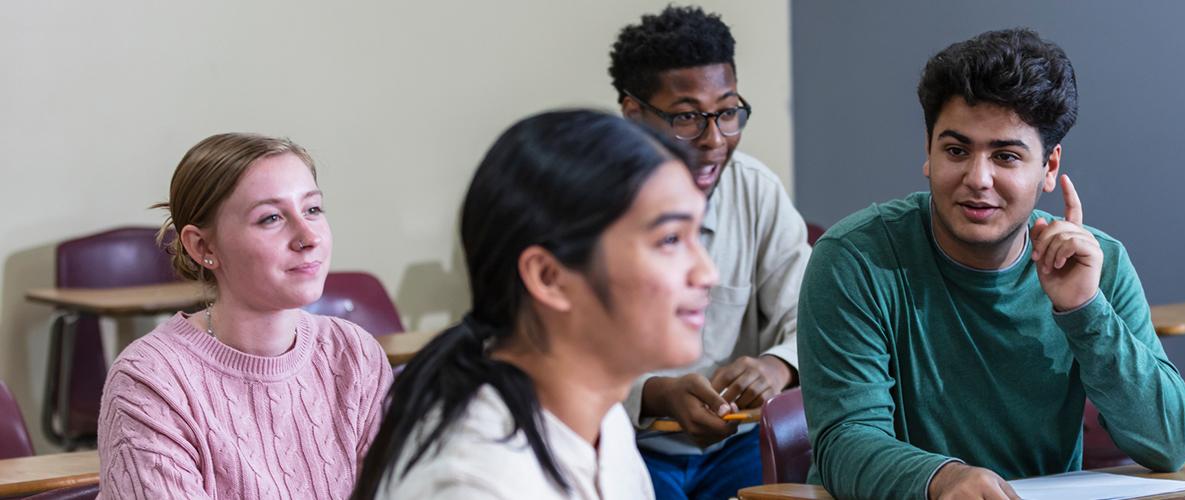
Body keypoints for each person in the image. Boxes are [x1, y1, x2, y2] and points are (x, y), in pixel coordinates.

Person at [797, 28, 1185, 499]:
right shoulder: (855, 258)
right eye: (956, 150)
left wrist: (1085, 309)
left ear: (1049, 168)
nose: (978, 178)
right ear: (927, 152)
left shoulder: (1097, 263)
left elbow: (1169, 445)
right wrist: (942, 480)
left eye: (1006, 156)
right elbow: (844, 441)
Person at [351, 110, 717, 499]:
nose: (707, 272)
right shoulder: (470, 482)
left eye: (697, 235)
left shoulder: (603, 420)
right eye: (670, 240)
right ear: (548, 277)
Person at [97, 133, 393, 499]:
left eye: (313, 209)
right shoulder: (150, 380)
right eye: (270, 218)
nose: (308, 236)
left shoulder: (355, 354)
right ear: (202, 246)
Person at [608, 6, 811, 497]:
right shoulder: (590, 207)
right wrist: (654, 395)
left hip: (738, 445)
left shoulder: (756, 191)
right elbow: (553, 355)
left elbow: (815, 315)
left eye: (726, 112)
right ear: (633, 113)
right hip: (627, 443)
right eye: (686, 118)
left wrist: (777, 365)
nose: (715, 139)